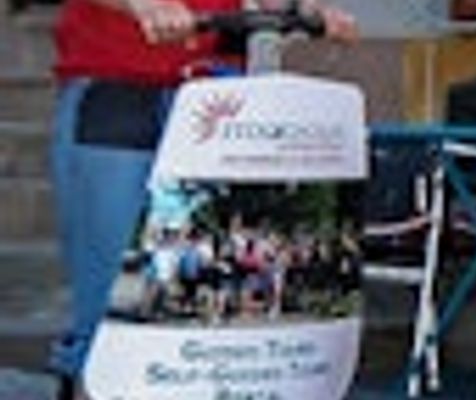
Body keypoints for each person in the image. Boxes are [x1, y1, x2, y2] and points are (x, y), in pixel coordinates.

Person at [48, 0, 351, 390]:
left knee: (216, 276)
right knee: (111, 280)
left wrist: (300, 9)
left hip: (216, 96)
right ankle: (93, 379)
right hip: (119, 85)